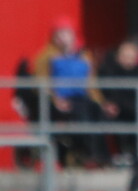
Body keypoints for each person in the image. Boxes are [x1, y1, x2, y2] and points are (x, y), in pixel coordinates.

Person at [33, 16, 109, 166]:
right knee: (81, 115)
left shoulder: (83, 56)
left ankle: (99, 156)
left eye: (67, 33)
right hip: (58, 100)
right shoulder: (47, 56)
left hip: (81, 97)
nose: (64, 37)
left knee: (97, 111)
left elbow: (91, 84)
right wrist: (56, 100)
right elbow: (41, 84)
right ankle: (87, 154)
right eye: (60, 33)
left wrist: (102, 102)